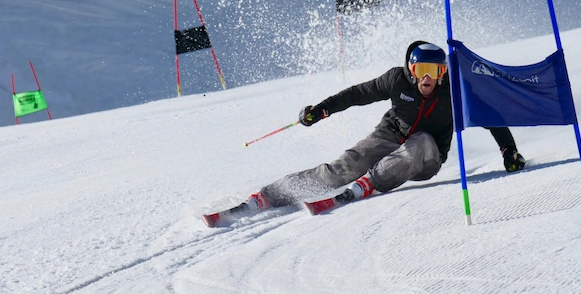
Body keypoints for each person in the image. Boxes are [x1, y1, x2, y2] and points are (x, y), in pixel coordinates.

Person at [203, 41, 525, 226]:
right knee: (343, 167)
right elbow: (358, 93)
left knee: (420, 143)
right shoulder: (397, 80)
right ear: (411, 70)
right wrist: (323, 109)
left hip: (427, 156)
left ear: (442, 73)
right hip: (390, 134)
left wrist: (508, 151)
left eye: (435, 72)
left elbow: (489, 115)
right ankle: (270, 194)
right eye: (421, 71)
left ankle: (367, 185)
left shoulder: (452, 92)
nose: (428, 79)